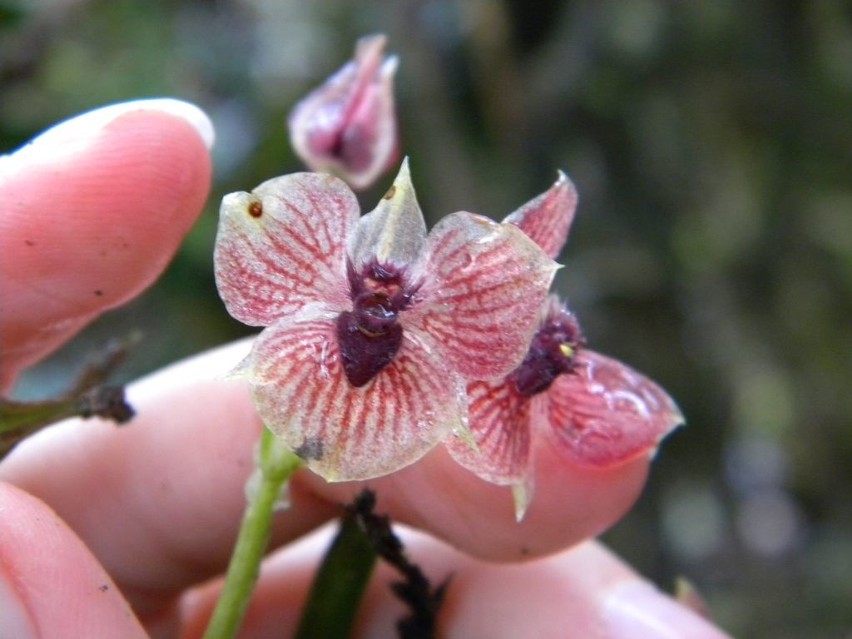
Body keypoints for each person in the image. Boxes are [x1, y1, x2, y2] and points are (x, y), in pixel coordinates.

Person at [0, 99, 730, 638]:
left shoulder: (488, 303)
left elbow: (510, 287)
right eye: (371, 296)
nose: (378, 310)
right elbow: (257, 221)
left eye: (390, 300)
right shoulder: (303, 245)